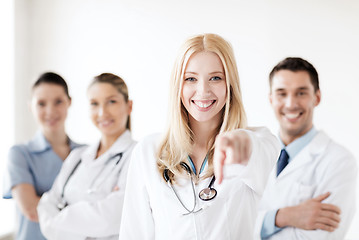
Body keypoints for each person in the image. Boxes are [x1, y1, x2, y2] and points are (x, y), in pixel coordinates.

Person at [119, 33, 279, 239]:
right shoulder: (147, 151)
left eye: (215, 78)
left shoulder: (260, 140)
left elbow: (257, 151)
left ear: (230, 84)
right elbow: (134, 233)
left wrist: (240, 142)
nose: (203, 91)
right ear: (178, 85)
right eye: (191, 79)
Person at [254, 57, 357, 239]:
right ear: (271, 99)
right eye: (281, 93)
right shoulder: (254, 154)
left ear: (316, 97)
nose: (291, 104)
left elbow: (323, 236)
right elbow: (232, 225)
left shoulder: (340, 161)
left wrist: (260, 223)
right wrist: (284, 217)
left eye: (301, 93)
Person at [37, 73, 136, 240]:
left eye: (111, 101)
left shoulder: (137, 155)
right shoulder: (77, 156)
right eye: (94, 104)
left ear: (129, 106)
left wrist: (60, 219)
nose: (102, 112)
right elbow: (46, 205)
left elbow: (112, 217)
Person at [2, 72, 82, 240]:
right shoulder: (20, 154)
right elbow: (31, 209)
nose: (50, 111)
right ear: (31, 106)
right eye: (41, 103)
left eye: (58, 102)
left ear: (69, 102)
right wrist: (85, 212)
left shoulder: (87, 153)